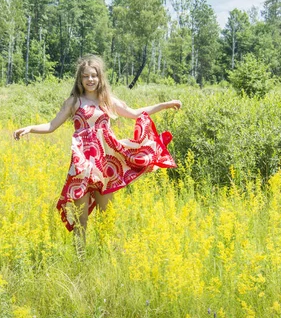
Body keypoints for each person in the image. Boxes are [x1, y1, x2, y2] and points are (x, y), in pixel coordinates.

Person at [13, 55, 181, 253]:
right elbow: (51, 125)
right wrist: (30, 128)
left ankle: (106, 255)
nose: (90, 80)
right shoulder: (74, 102)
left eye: (94, 76)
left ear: (100, 78)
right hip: (82, 164)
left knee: (106, 216)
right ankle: (81, 259)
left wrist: (165, 104)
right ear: (80, 79)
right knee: (80, 219)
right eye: (86, 76)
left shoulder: (107, 100)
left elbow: (135, 113)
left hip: (105, 164)